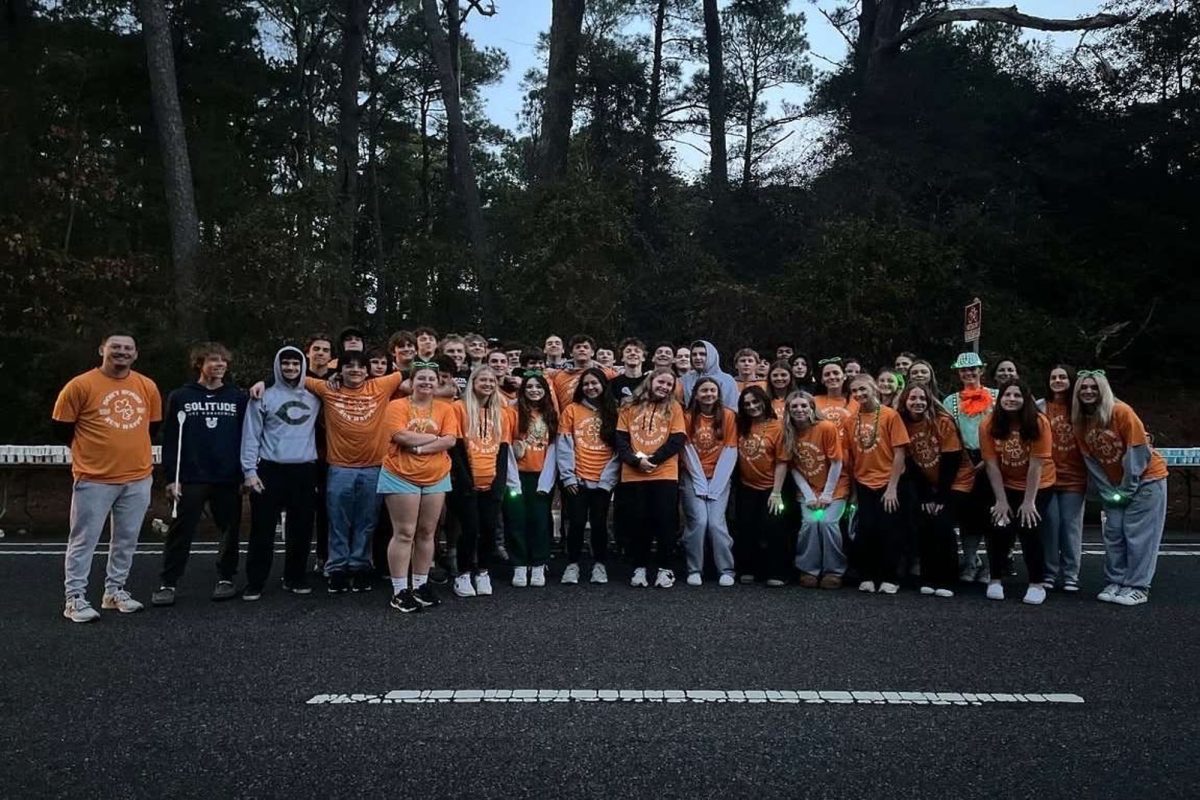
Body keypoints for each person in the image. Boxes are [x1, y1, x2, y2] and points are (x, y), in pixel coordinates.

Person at [53, 333, 162, 622]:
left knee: (126, 539)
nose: (121, 352)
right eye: (116, 347)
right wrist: (92, 455)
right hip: (94, 478)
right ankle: (74, 598)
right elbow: (62, 428)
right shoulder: (80, 385)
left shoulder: (146, 385)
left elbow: (152, 427)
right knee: (83, 540)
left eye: (128, 348)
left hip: (138, 477)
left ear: (135, 354)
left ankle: (115, 591)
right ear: (102, 349)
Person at [288, 352, 405, 593]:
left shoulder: (381, 385)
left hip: (374, 467)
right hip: (339, 468)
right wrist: (263, 383)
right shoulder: (328, 388)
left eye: (360, 367)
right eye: (349, 367)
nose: (355, 371)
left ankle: (360, 565)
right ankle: (337, 567)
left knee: (367, 521)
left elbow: (415, 368)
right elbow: (292, 376)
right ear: (340, 370)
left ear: (367, 370)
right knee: (338, 521)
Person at [153, 342, 248, 605]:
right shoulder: (181, 396)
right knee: (180, 531)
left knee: (229, 530)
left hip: (227, 476)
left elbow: (247, 437)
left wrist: (244, 473)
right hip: (191, 477)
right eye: (213, 360)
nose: (220, 365)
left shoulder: (237, 397)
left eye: (224, 361)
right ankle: (168, 583)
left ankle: (226, 577)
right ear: (199, 364)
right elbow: (171, 439)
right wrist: (171, 477)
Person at [1073, 371, 1169, 606]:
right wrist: (1107, 490)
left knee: (1139, 536)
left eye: (1094, 387)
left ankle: (1137, 586)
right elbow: (1091, 461)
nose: (1088, 391)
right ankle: (1116, 580)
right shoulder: (1080, 421)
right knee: (1114, 533)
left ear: (1103, 390)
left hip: (1146, 480)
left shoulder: (1121, 412)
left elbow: (1137, 450)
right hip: (1115, 485)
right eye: (1083, 388)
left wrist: (1129, 486)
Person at [378, 359, 459, 613]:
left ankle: (420, 584)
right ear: (411, 382)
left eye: (431, 379)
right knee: (404, 532)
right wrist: (436, 438)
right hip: (401, 473)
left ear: (438, 383)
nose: (426, 383)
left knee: (427, 532)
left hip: (436, 475)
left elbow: (450, 440)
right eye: (421, 378)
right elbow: (399, 435)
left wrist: (423, 445)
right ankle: (399, 590)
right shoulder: (397, 405)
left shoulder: (446, 408)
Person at [239, 346, 321, 599]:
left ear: (302, 366)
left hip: (304, 470)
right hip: (270, 470)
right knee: (262, 530)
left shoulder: (315, 395)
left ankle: (295, 577)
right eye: (285, 364)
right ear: (277, 365)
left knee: (302, 529)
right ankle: (255, 581)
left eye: (296, 364)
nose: (290, 368)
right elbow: (250, 435)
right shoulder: (262, 396)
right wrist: (249, 471)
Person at [980, 378, 1053, 605]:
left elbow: (1036, 465)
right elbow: (991, 464)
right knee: (998, 525)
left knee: (1029, 525)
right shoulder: (988, 424)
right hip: (1005, 482)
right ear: (1000, 399)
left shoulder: (1039, 423)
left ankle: (1036, 583)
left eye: (1017, 395)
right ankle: (995, 579)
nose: (1012, 399)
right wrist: (1001, 501)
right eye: (1007, 395)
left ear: (1025, 399)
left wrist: (1029, 502)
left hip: (1038, 484)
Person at [897, 383, 974, 598]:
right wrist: (926, 496)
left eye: (922, 398)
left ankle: (947, 579)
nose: (918, 402)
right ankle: (929, 576)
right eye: (913, 398)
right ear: (905, 401)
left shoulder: (942, 422)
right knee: (924, 523)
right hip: (929, 483)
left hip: (956, 481)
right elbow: (911, 464)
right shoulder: (902, 424)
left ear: (929, 401)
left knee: (942, 522)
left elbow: (952, 461)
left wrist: (940, 497)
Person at [448, 366, 518, 598]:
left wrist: (499, 484)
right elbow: (456, 450)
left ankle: (483, 572)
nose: (487, 384)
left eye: (491, 380)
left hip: (491, 483)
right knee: (469, 529)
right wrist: (466, 482)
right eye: (482, 379)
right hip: (466, 481)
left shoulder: (502, 413)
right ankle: (464, 574)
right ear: (473, 382)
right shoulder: (459, 408)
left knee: (488, 529)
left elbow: (503, 451)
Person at [616, 368, 687, 588]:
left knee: (665, 521)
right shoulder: (629, 406)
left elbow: (677, 439)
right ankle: (640, 567)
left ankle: (665, 568)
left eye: (669, 385)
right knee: (638, 522)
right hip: (633, 474)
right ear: (651, 380)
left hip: (664, 474)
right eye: (661, 382)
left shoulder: (674, 407)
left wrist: (653, 460)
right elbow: (620, 438)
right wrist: (636, 461)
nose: (664, 387)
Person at [846, 375, 910, 595]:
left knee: (889, 529)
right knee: (866, 530)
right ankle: (867, 575)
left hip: (888, 481)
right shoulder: (850, 419)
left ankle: (890, 576)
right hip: (864, 482)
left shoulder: (890, 415)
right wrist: (854, 492)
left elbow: (900, 452)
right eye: (854, 391)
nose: (859, 395)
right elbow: (851, 458)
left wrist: (892, 487)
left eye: (863, 389)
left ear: (874, 388)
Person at [557, 368, 621, 584]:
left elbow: (619, 450)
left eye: (595, 383)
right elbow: (564, 445)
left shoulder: (614, 411)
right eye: (586, 384)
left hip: (603, 479)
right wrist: (568, 476)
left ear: (603, 385)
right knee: (575, 522)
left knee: (600, 522)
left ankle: (599, 564)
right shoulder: (571, 411)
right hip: (578, 477)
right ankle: (572, 564)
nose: (590, 387)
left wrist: (607, 480)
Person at [779, 390, 848, 589]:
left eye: (804, 406)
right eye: (794, 407)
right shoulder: (788, 433)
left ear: (811, 408)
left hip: (834, 487)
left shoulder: (826, 427)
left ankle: (833, 570)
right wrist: (809, 495)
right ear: (789, 411)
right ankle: (809, 569)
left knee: (827, 523)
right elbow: (793, 468)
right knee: (810, 522)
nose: (799, 410)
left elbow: (836, 463)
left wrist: (827, 494)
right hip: (808, 488)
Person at [943, 352, 999, 584]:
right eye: (964, 370)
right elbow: (948, 433)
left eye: (973, 369)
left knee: (994, 515)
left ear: (981, 370)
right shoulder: (950, 401)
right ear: (958, 373)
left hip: (994, 459)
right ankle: (970, 561)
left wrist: (989, 459)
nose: (969, 373)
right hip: (964, 460)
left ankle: (994, 566)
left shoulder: (996, 397)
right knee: (968, 516)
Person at [680, 377, 738, 587]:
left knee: (715, 523)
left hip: (719, 477)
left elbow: (731, 450)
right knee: (699, 521)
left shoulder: (729, 416)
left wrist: (716, 484)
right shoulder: (687, 417)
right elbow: (686, 450)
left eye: (712, 390)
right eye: (704, 390)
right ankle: (694, 568)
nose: (708, 394)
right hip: (694, 476)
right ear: (696, 394)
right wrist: (700, 482)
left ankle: (726, 569)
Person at [505, 372, 559, 588]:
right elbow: (506, 445)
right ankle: (519, 564)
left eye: (539, 387)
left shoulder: (551, 414)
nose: (534, 390)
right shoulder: (512, 412)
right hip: (516, 474)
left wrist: (547, 479)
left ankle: (538, 564)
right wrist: (511, 478)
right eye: (529, 387)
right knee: (516, 519)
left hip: (541, 475)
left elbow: (554, 448)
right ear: (522, 391)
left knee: (540, 519)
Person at [1037, 365, 1086, 592]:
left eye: (1062, 376)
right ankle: (1049, 572)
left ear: (1071, 380)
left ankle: (1071, 574)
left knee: (1070, 526)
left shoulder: (1080, 407)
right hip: (1046, 477)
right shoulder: (1040, 406)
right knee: (1050, 524)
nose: (1057, 380)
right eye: (1053, 377)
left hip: (1074, 477)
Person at [734, 386, 787, 585]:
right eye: (747, 404)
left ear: (765, 401)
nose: (752, 407)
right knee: (747, 527)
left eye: (756, 402)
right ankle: (748, 568)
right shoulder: (741, 425)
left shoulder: (778, 426)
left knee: (774, 527)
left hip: (772, 487)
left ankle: (777, 572)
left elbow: (782, 460)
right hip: (746, 485)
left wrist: (777, 491)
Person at [306, 333, 335, 572]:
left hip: (331, 451)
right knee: (305, 507)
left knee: (328, 506)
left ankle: (325, 555)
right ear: (308, 352)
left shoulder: (339, 379)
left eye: (326, 350)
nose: (321, 353)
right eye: (317, 348)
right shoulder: (298, 377)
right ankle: (299, 561)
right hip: (303, 450)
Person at [680, 340, 739, 408]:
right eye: (694, 354)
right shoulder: (686, 379)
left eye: (702, 354)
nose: (697, 357)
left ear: (711, 356)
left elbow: (731, 408)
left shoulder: (727, 380)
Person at [814, 358, 857, 437]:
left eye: (836, 373)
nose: (832, 377)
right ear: (822, 380)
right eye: (827, 374)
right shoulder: (813, 402)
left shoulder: (856, 400)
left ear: (844, 376)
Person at [610, 338, 647, 402]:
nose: (633, 353)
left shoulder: (649, 381)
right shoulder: (614, 384)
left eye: (637, 351)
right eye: (628, 351)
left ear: (643, 358)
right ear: (622, 358)